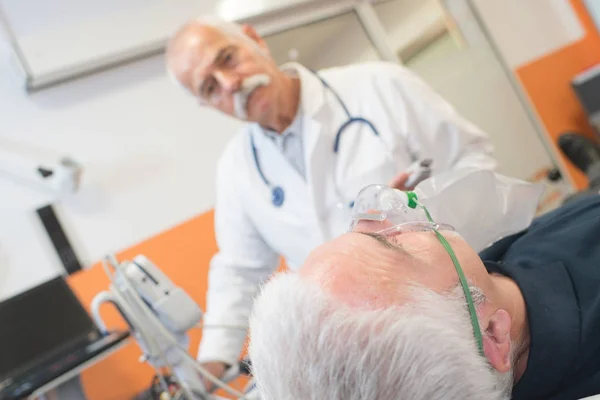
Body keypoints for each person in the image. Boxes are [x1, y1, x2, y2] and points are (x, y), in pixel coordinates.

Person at [165, 15, 497, 380]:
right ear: (206, 104)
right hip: (357, 352)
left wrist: (420, 215)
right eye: (210, 87)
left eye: (227, 58)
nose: (231, 84)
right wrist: (212, 363)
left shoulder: (379, 85)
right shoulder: (235, 168)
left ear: (254, 39)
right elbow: (239, 270)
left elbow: (475, 162)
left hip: (454, 308)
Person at [248, 173, 600, 399]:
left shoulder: (484, 283)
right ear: (493, 335)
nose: (382, 213)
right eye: (391, 243)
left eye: (354, 231)